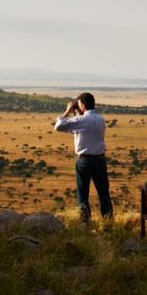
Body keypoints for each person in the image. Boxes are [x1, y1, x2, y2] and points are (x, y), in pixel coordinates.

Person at [54, 92, 112, 222]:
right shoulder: (100, 119)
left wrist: (68, 110)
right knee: (104, 193)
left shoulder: (80, 120)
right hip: (100, 160)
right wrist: (78, 113)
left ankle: (85, 222)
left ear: (83, 105)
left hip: (85, 161)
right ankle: (108, 221)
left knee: (82, 194)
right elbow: (81, 129)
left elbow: (58, 126)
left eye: (79, 104)